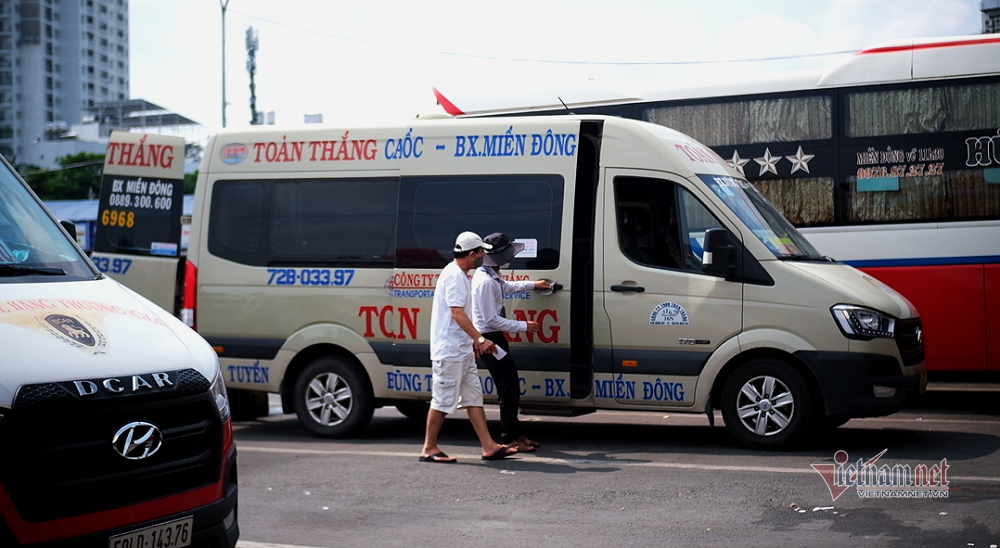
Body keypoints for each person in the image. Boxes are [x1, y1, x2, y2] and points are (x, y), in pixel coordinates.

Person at [419, 231, 519, 464]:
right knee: (443, 401)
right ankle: (429, 447)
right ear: (472, 254)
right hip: (450, 351)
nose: (484, 256)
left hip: (461, 349)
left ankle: (489, 446)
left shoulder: (462, 275)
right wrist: (480, 339)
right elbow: (457, 313)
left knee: (474, 398)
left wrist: (472, 341)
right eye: (481, 252)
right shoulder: (454, 276)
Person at [471, 233, 552, 453]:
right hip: (489, 339)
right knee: (508, 387)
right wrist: (523, 326)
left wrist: (534, 285)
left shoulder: (492, 275)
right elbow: (490, 319)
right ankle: (510, 437)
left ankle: (514, 434)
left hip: (494, 336)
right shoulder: (485, 281)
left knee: (510, 385)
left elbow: (507, 287)